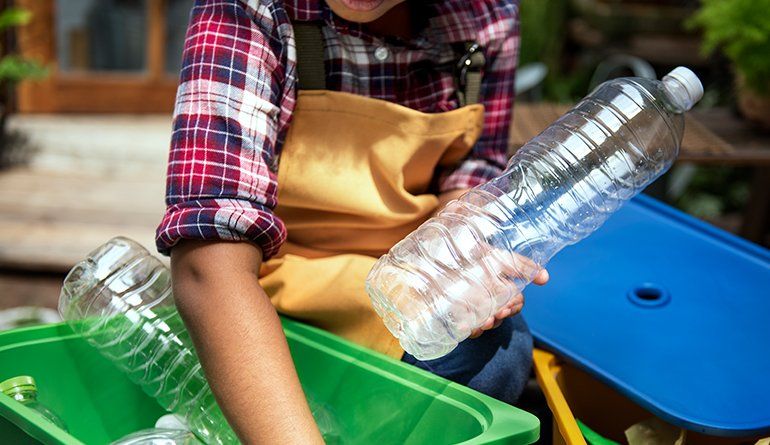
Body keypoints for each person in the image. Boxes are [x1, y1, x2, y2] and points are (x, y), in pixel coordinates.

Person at [156, 0, 549, 442]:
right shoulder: (249, 10)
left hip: (400, 287)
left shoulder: (487, 17)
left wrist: (460, 256)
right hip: (271, 291)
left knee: (498, 350)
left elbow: (473, 169)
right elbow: (208, 266)